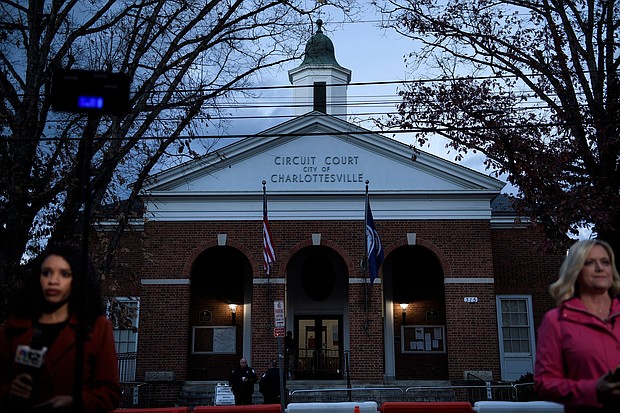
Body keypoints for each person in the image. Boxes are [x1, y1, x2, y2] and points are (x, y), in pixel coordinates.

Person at [0, 245, 121, 413]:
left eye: (64, 274)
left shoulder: (97, 328)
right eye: (47, 273)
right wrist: (9, 392)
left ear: (76, 280)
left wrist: (77, 402)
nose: (53, 280)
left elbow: (111, 393)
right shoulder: (12, 328)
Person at [534, 240, 620, 412]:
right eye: (589, 262)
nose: (599, 268)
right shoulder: (556, 321)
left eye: (605, 262)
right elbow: (544, 384)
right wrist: (593, 389)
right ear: (576, 270)